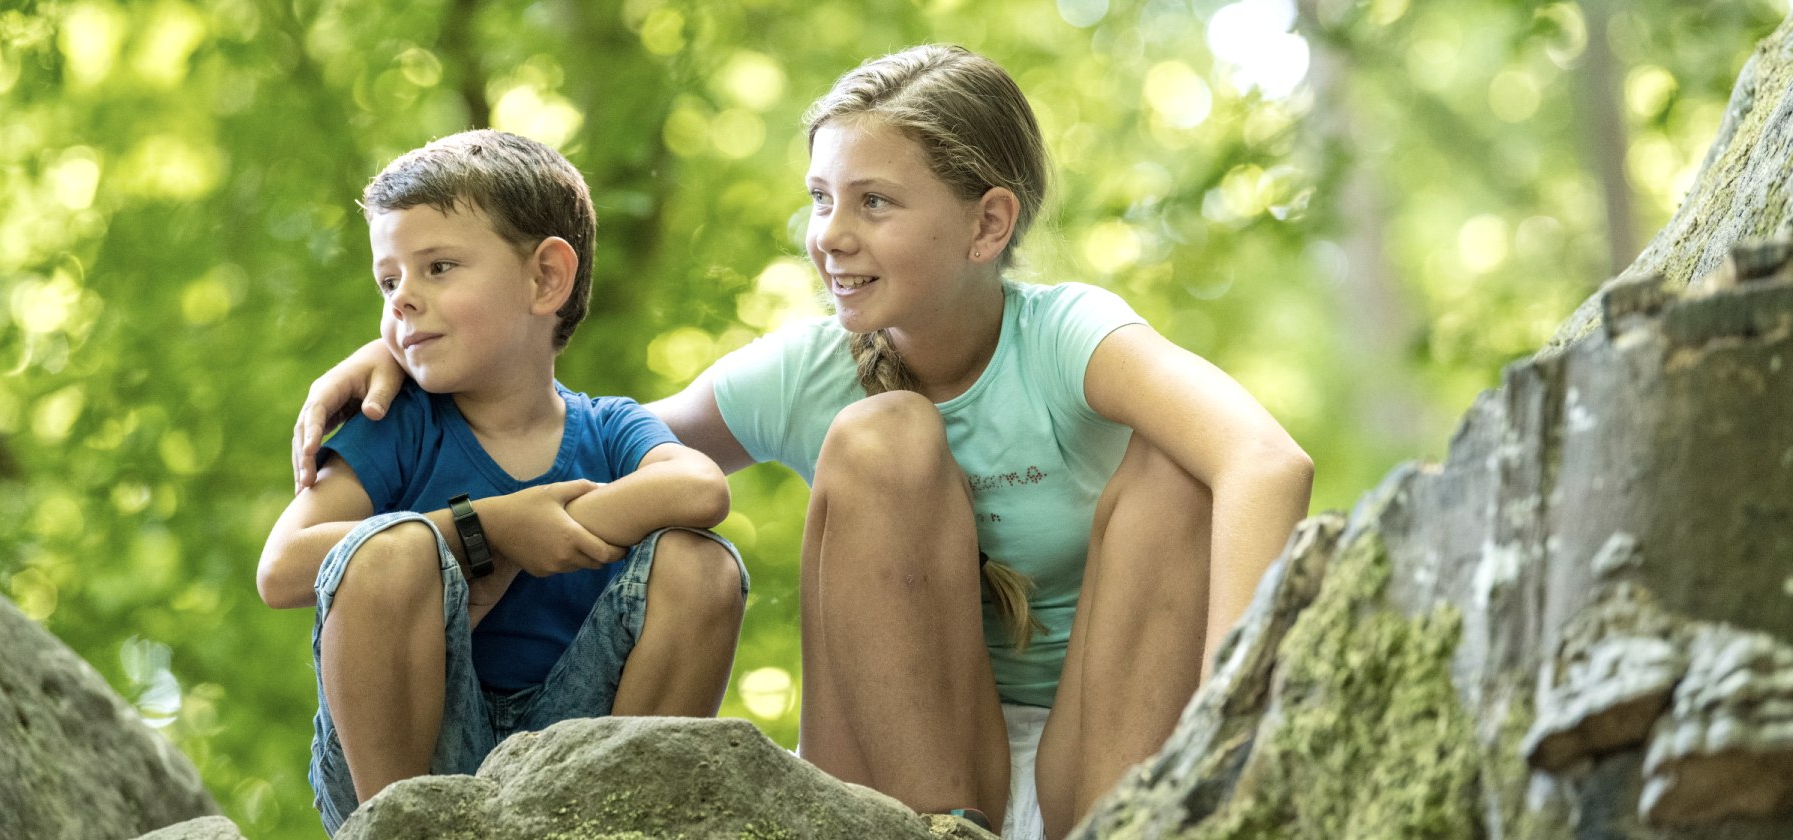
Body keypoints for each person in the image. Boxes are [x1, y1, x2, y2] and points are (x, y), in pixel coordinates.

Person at [290, 46, 1312, 839]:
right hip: (908, 770)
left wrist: (1238, 715)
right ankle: (930, 833)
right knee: (882, 437)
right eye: (822, 198)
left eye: (874, 201)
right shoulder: (809, 369)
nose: (830, 231)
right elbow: (566, 438)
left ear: (988, 224)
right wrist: (410, 351)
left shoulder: (1068, 338)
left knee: (1180, 465)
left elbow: (1268, 463)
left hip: (1105, 754)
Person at [258, 130, 748, 834]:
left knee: (700, 565)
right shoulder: (397, 424)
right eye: (388, 280)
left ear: (546, 277)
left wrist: (554, 528)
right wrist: (487, 531)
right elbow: (281, 569)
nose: (402, 301)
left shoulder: (608, 427)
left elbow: (701, 490)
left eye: (438, 267)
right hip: (413, 762)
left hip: (576, 759)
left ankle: (626, 825)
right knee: (390, 551)